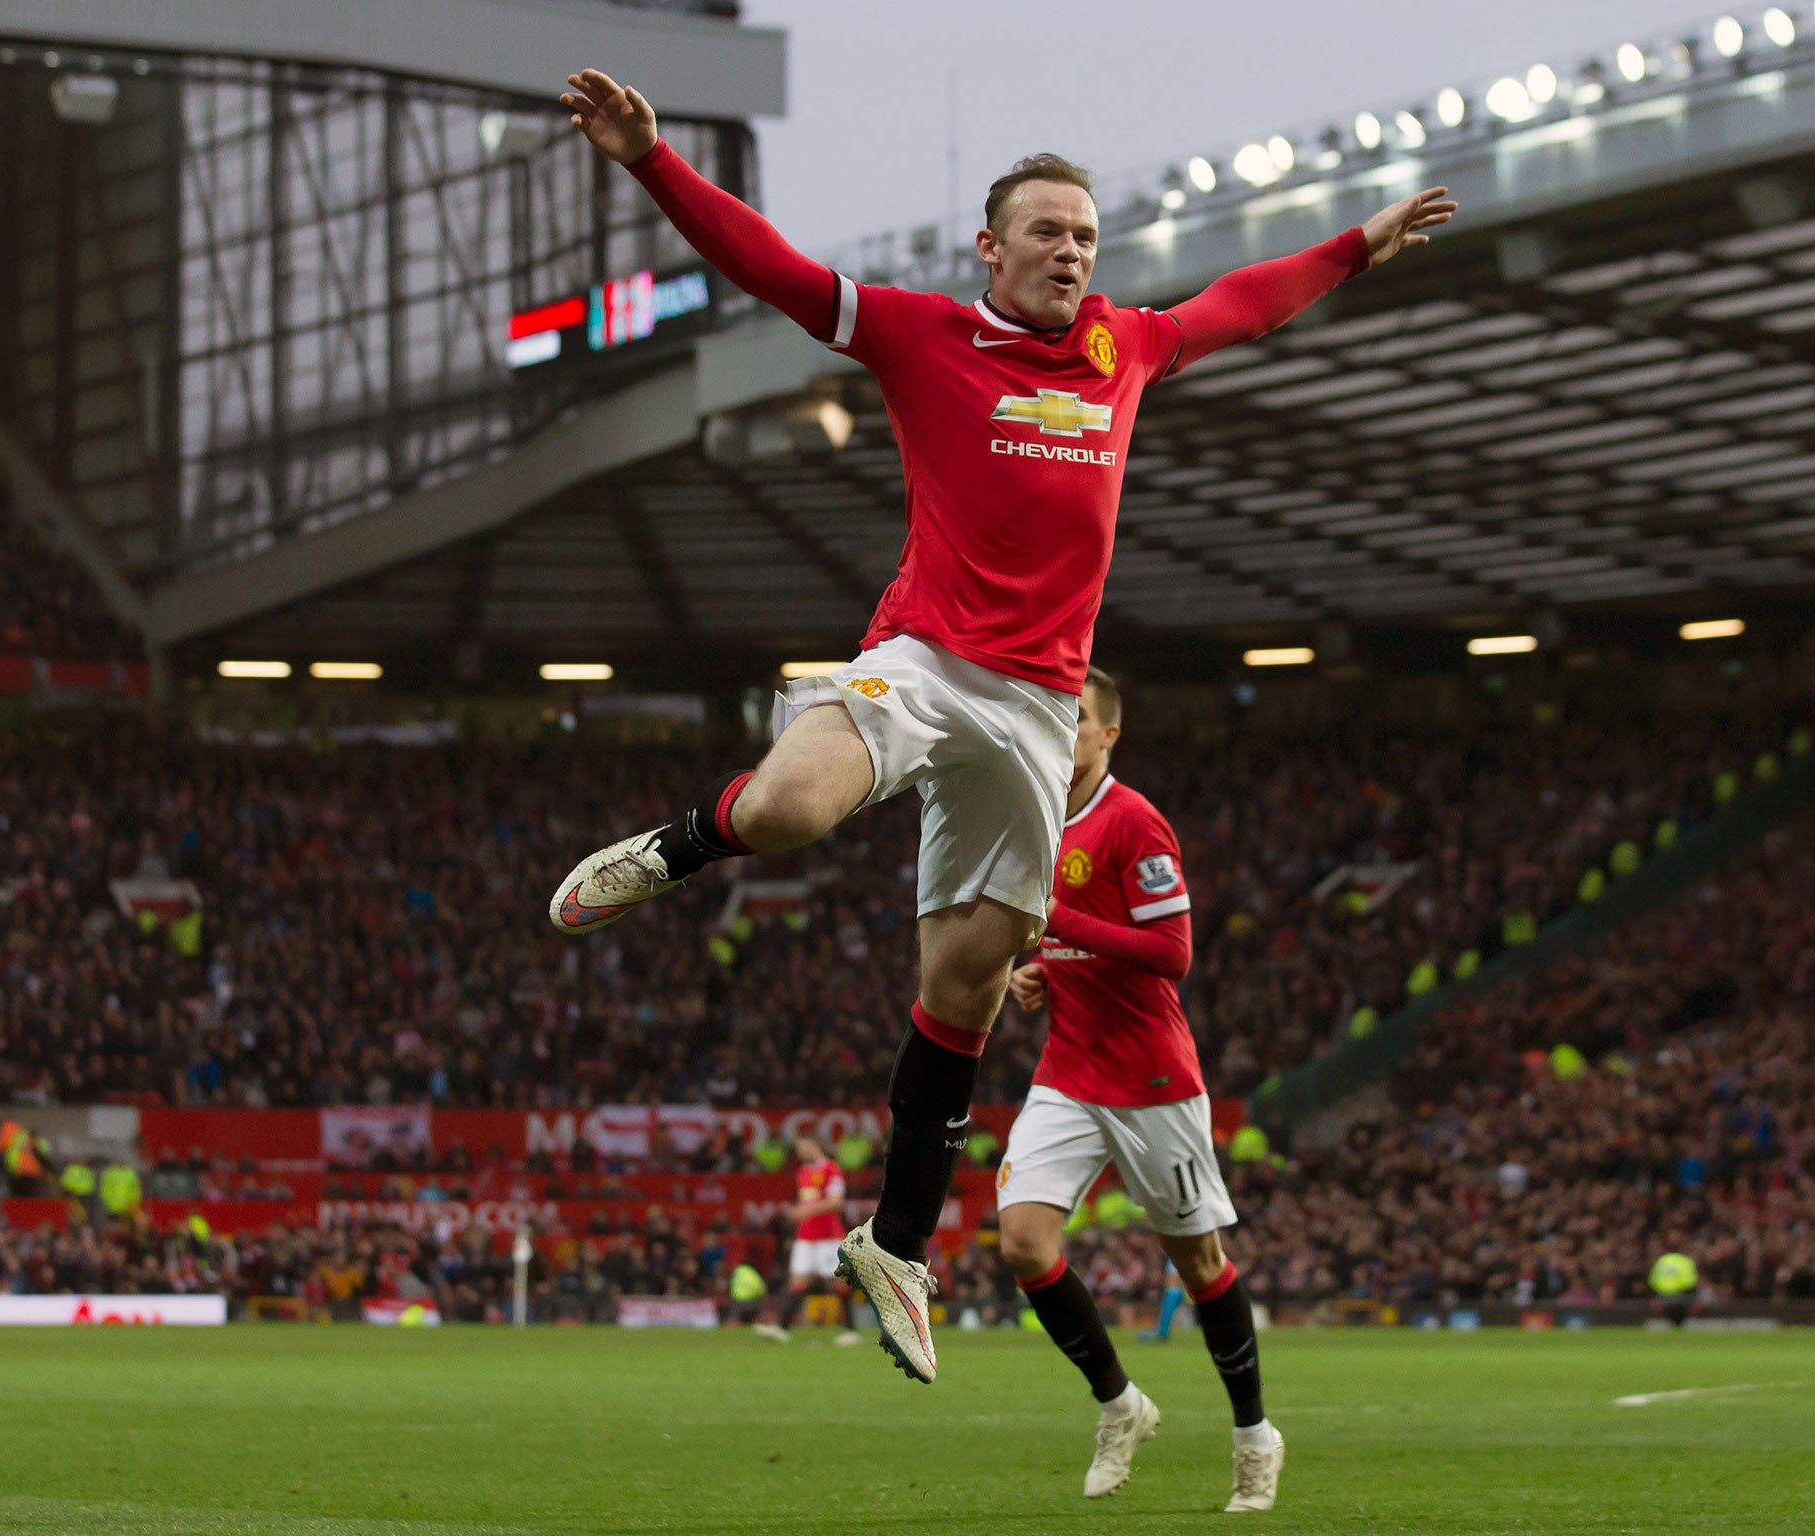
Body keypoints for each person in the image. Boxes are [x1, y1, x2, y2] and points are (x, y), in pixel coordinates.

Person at [550, 66, 1455, 1386]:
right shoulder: (923, 335)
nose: (1072, 253)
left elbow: (1240, 307)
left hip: (1040, 708)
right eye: (1047, 232)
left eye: (1085, 235)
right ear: (992, 247)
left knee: (964, 990)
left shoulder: (1125, 349)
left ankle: (897, 1245)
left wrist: (1354, 249)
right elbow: (778, 271)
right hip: (926, 660)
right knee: (794, 812)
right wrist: (649, 160)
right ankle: (680, 848)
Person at [997, 667, 1282, 1512]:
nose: (1063, 726)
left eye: (1077, 716)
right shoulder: (1040, 815)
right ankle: (1120, 1405)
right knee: (1021, 1243)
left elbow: (1172, 954)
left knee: (1198, 1265)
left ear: (1108, 734)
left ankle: (1254, 1438)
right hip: (1069, 1071)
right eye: (1054, 712)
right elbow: (1071, 934)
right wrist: (1042, 970)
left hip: (1153, 1079)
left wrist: (1061, 928)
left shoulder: (1135, 820)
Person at [756, 1134, 860, 1344]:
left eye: (804, 1147)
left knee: (837, 1283)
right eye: (798, 1149)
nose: (800, 1152)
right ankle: (782, 1328)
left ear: (814, 1146)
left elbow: (836, 1202)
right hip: (805, 1236)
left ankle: (851, 1330)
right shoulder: (802, 1172)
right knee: (796, 1282)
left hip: (828, 1237)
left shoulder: (831, 1169)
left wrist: (805, 1211)